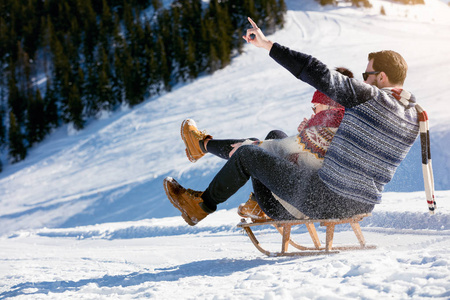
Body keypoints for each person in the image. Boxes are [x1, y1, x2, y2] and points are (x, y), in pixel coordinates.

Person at [163, 17, 419, 226]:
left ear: (382, 77)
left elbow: (315, 71)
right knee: (276, 138)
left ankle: (202, 205)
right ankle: (204, 148)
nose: (362, 80)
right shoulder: (412, 116)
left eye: (367, 74)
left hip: (324, 198)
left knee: (248, 155)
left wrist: (268, 45)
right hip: (359, 203)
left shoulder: (370, 98)